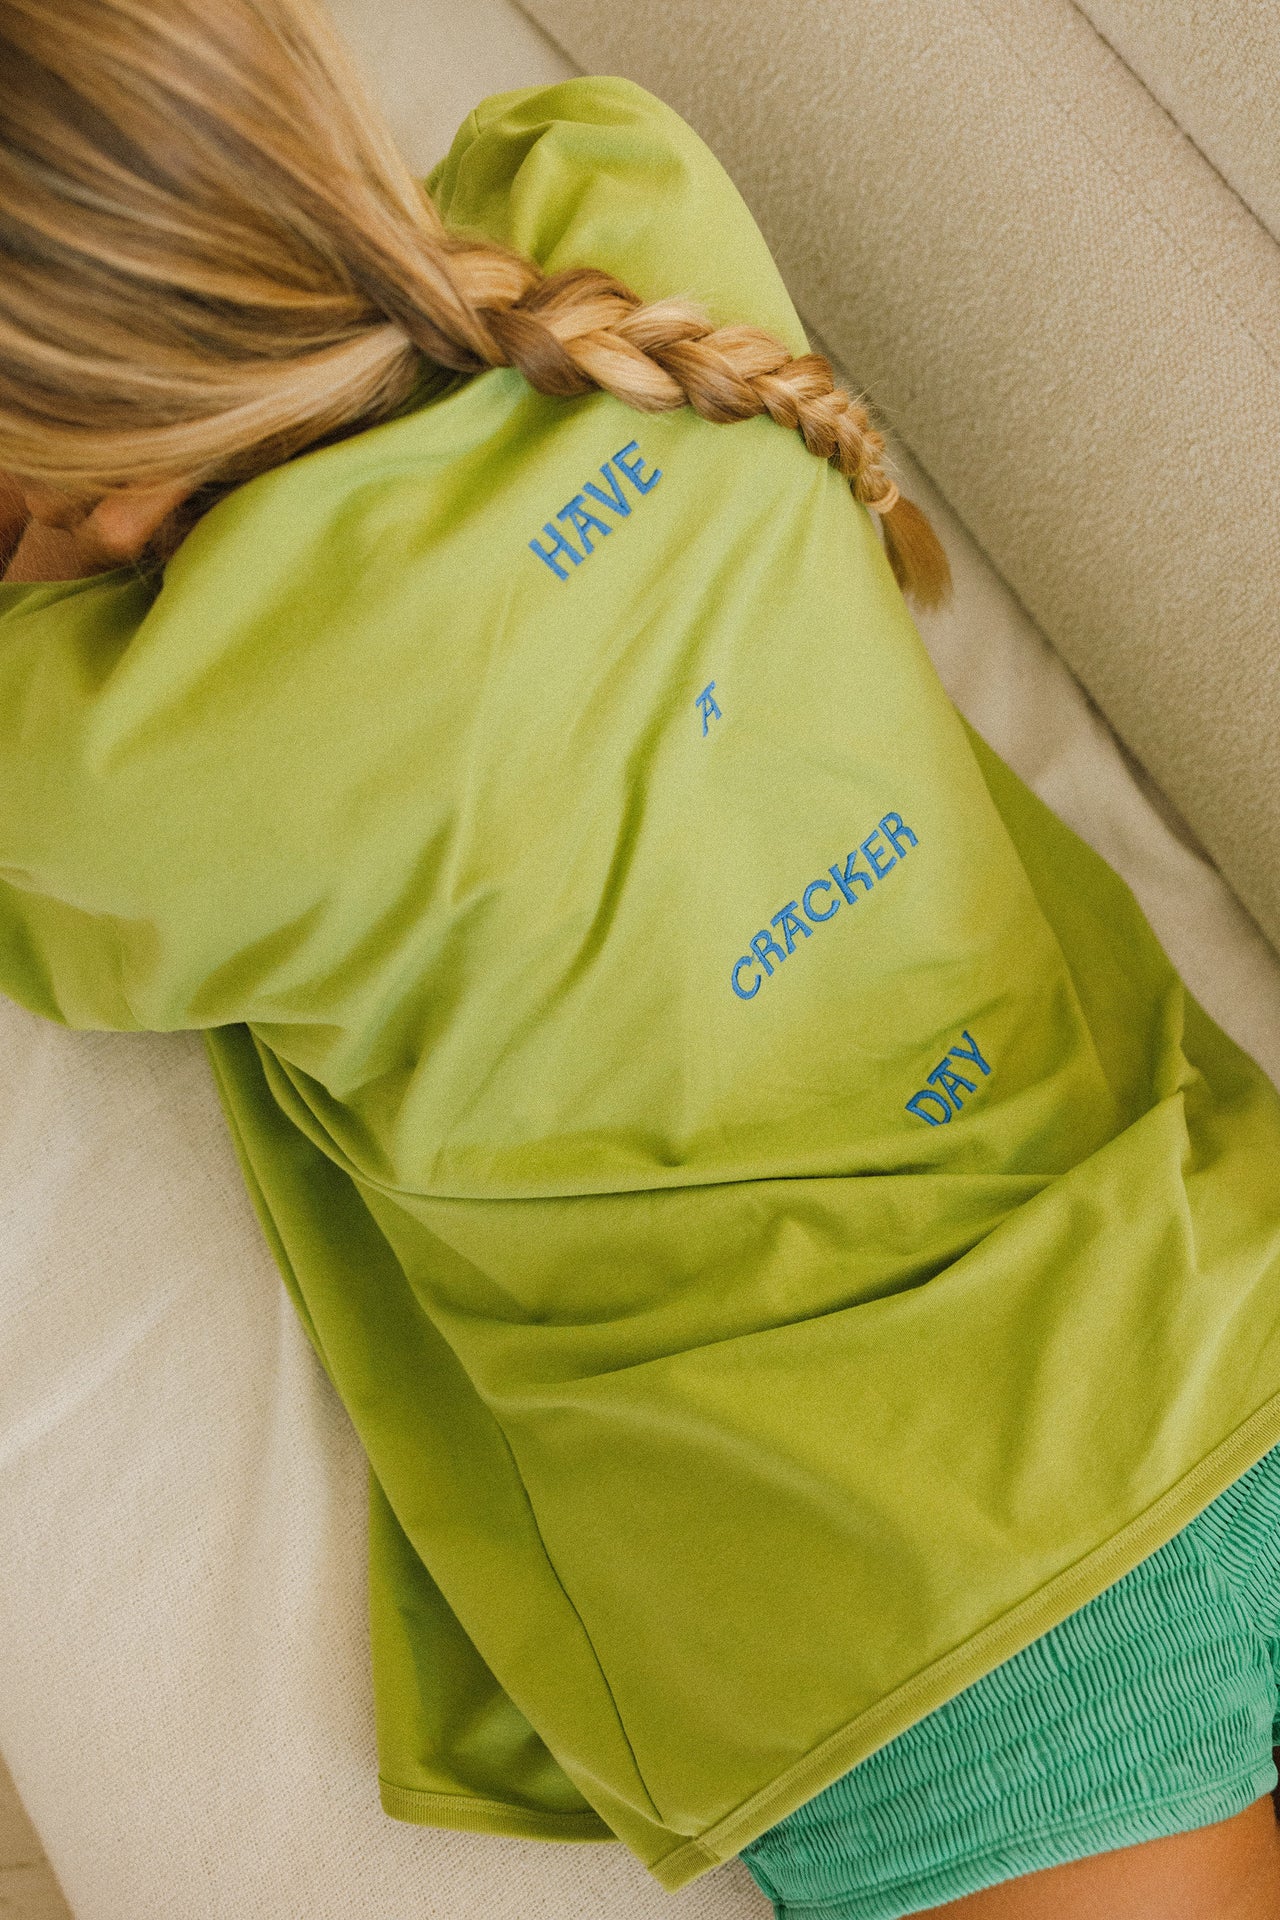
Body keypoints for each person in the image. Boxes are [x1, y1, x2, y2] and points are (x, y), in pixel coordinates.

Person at [3, 4, 1280, 1915]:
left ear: (76, 487)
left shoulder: (113, 761)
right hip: (1215, 1265)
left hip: (929, 1597)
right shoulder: (623, 198)